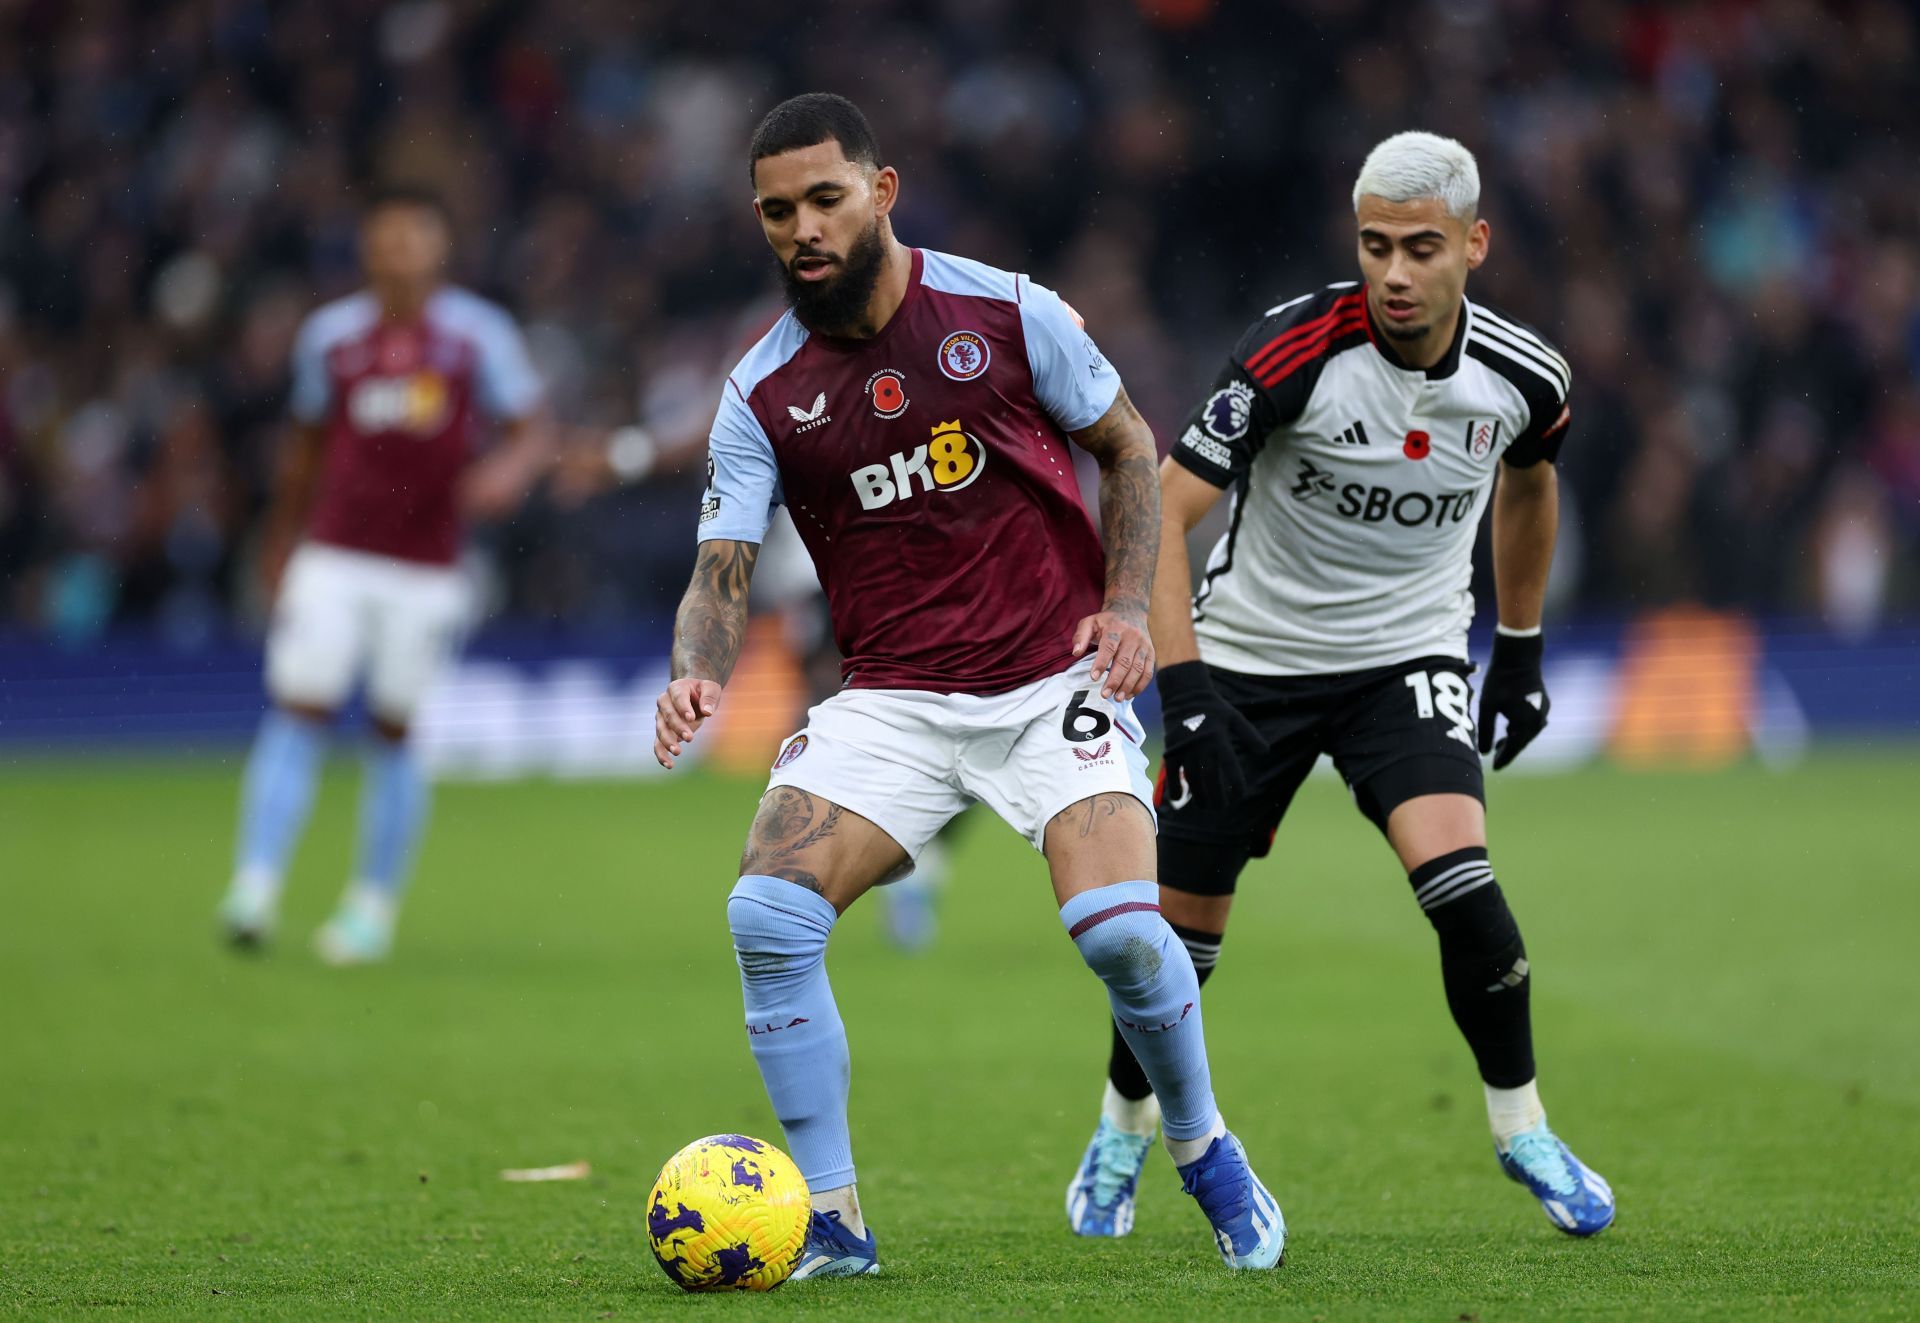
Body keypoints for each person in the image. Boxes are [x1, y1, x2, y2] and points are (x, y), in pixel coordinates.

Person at [651, 93, 1283, 1279]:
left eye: (826, 200)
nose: (804, 231)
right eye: (778, 212)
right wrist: (696, 676)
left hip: (1051, 676)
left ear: (881, 194)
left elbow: (1130, 447)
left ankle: (1201, 1147)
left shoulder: (1006, 310)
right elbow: (719, 571)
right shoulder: (762, 392)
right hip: (890, 698)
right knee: (766, 916)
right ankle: (833, 1221)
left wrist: (1123, 601)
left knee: (1123, 940)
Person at [1065, 131, 1614, 1240]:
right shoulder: (1289, 354)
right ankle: (1122, 1131)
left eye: (1422, 248)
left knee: (1468, 893)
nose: (1397, 274)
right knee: (1177, 945)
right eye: (1376, 247)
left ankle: (1523, 1130)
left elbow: (1530, 485)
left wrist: (1519, 646)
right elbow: (1163, 513)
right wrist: (1187, 688)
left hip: (1404, 662)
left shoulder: (1525, 378)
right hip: (1247, 666)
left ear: (1476, 244)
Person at [216, 185, 550, 964]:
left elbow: (534, 429)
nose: (400, 252)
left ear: (440, 248)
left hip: (430, 568)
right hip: (333, 553)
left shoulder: (477, 336)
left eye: (414, 237)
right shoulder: (330, 337)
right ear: (367, 248)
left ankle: (370, 906)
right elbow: (304, 447)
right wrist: (278, 542)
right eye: (387, 237)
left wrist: (507, 470)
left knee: (396, 729)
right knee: (299, 707)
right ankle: (254, 887)